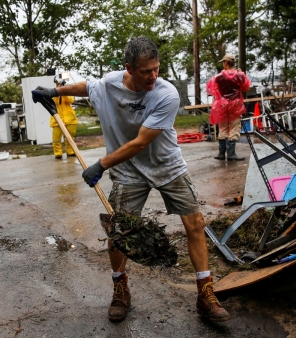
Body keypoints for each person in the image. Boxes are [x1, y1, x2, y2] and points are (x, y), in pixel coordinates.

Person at [31, 36, 230, 323]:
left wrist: (100, 164)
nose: (152, 76)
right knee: (118, 232)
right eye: (145, 71)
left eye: (156, 69)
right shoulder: (110, 84)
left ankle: (205, 293)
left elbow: (140, 143)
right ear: (129, 68)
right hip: (127, 172)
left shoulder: (167, 94)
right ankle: (120, 289)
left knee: (195, 224)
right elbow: (88, 87)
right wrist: (53, 90)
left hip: (166, 165)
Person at [206, 54, 251, 161]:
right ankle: (231, 154)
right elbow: (246, 87)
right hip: (235, 106)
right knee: (234, 128)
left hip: (222, 106)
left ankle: (221, 153)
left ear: (226, 63)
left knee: (223, 128)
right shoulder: (240, 76)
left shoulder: (218, 77)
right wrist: (241, 74)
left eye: (223, 62)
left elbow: (213, 90)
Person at [51, 77, 78, 159]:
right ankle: (58, 153)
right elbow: (54, 101)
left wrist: (63, 91)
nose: (58, 84)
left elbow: (70, 100)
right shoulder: (53, 92)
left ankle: (70, 151)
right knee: (56, 138)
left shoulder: (68, 91)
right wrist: (57, 91)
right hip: (57, 118)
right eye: (56, 83)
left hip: (70, 119)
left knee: (70, 137)